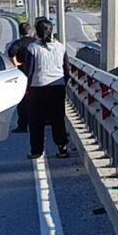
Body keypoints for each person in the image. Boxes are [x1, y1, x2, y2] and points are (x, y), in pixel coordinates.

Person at [23, 17, 73, 160]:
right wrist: (63, 83)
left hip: (37, 88)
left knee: (36, 121)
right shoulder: (60, 47)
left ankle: (37, 151)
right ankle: (62, 148)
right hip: (57, 88)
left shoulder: (33, 48)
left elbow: (29, 71)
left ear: (37, 32)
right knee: (58, 119)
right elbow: (67, 70)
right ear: (51, 31)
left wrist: (26, 88)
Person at [7, 21, 37, 133]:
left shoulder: (18, 43)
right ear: (31, 31)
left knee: (23, 101)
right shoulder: (36, 43)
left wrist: (16, 62)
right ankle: (36, 123)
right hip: (35, 73)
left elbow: (11, 53)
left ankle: (22, 126)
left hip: (22, 73)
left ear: (20, 32)